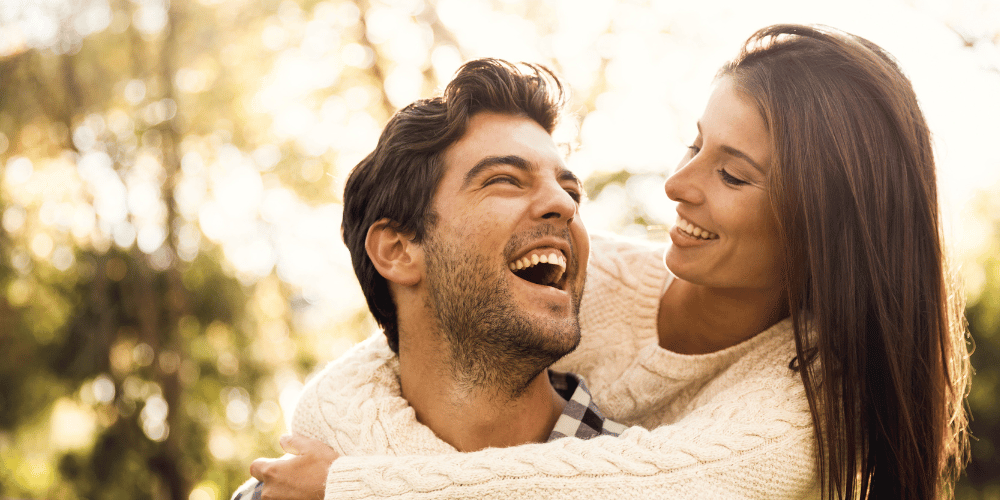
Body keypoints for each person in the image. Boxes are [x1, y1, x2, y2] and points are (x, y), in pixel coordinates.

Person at [247, 24, 970, 500]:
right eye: (696, 146)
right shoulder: (585, 279)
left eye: (734, 175)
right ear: (397, 248)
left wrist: (360, 486)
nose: (676, 186)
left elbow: (637, 484)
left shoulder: (807, 402)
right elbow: (378, 364)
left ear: (820, 233)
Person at [233, 58, 631, 499]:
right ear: (398, 251)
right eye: (505, 180)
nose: (565, 204)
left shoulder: (663, 480)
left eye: (571, 191)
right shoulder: (278, 495)